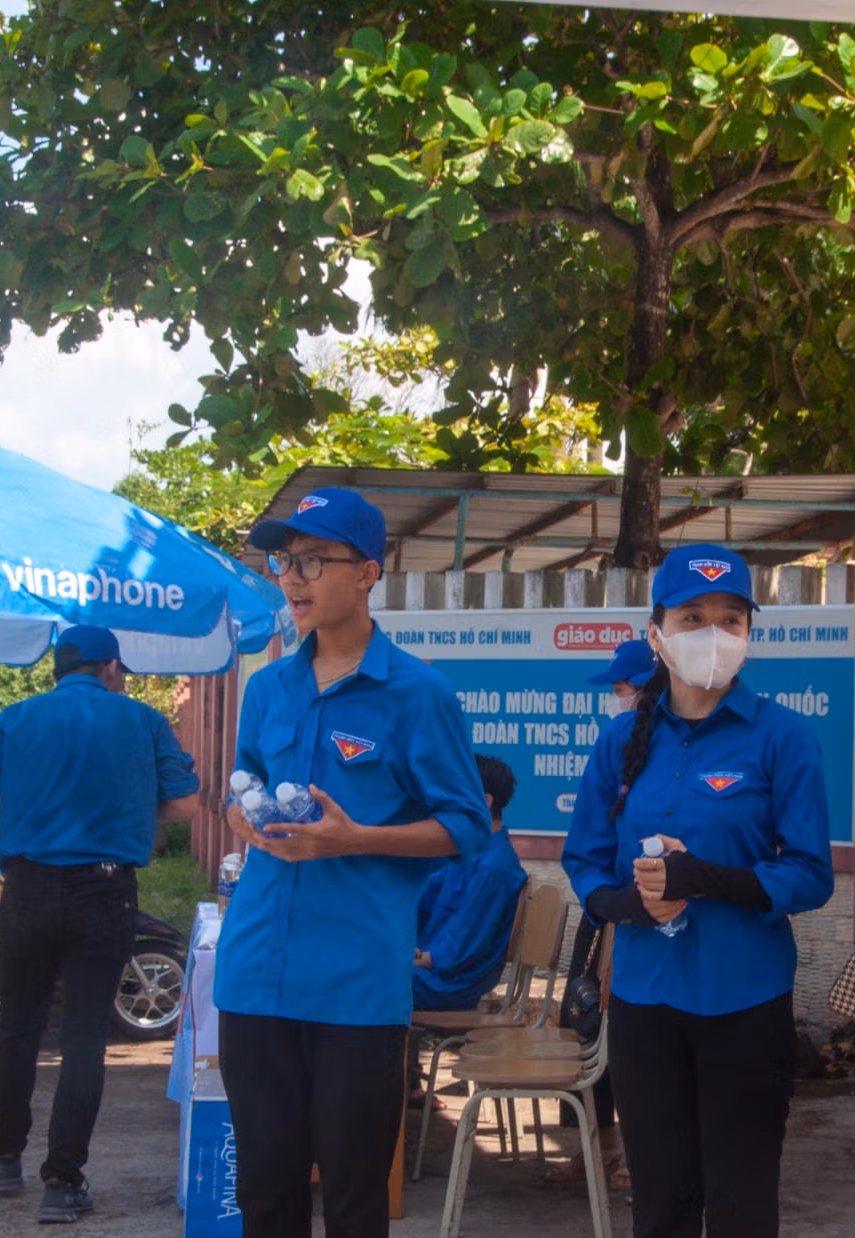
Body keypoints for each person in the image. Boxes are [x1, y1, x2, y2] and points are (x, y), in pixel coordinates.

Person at [216, 487, 491, 1238]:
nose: (292, 578)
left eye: (313, 561)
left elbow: (468, 827)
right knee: (265, 1195)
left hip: (356, 986)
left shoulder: (417, 694)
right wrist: (242, 817)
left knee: (354, 1198)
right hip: (255, 975)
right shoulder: (268, 687)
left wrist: (358, 838)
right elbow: (241, 788)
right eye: (284, 562)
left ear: (368, 572)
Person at [562, 542, 834, 1238]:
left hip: (746, 1003)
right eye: (692, 618)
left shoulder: (783, 738)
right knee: (661, 1205)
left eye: (730, 619)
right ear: (656, 634)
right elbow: (585, 862)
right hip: (644, 1003)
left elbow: (810, 875)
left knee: (742, 1205)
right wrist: (629, 905)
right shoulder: (620, 741)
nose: (713, 634)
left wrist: (708, 879)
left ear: (748, 634)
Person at [0, 625, 201, 1224]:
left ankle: (4, 1158)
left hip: (27, 891)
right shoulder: (143, 721)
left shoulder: (15, 718)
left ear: (58, 670)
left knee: (18, 1027)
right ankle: (62, 1182)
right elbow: (187, 803)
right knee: (84, 1037)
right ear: (111, 667)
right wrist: (128, 807)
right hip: (105, 891)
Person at [546, 638, 657, 1190]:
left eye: (621, 687)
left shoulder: (666, 740)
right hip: (608, 913)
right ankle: (602, 1147)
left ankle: (640, 1157)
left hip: (653, 920)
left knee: (633, 1045)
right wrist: (604, 900)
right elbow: (586, 846)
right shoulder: (617, 739)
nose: (618, 697)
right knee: (588, 1026)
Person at [412, 753, 528, 1012]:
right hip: (428, 969)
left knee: (363, 978)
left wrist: (399, 962)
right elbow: (418, 898)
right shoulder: (467, 851)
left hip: (447, 985)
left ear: (485, 801)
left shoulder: (494, 867)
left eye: (457, 792)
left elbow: (458, 951)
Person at [589, 637, 656, 715]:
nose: (615, 698)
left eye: (619, 690)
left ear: (645, 689)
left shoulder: (662, 722)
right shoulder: (627, 722)